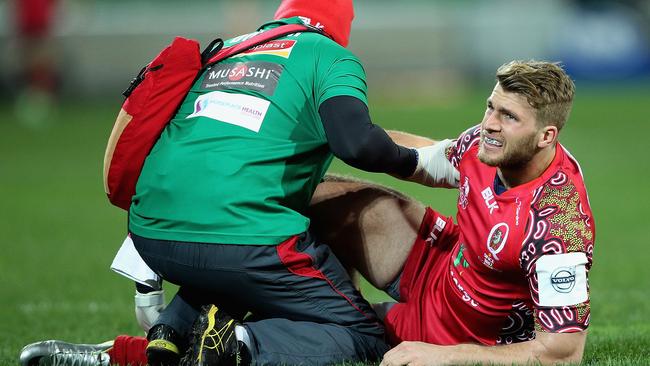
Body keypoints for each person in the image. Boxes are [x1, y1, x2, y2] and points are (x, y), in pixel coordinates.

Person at [19, 60, 594, 366]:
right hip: (441, 268)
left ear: (546, 136)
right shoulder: (486, 143)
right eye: (489, 108)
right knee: (311, 199)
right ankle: (171, 332)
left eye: (507, 118)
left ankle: (159, 350)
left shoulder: (557, 224)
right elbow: (417, 158)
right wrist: (289, 156)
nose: (489, 124)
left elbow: (562, 353)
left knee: (352, 336)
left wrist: (444, 359)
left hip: (460, 330)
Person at [102, 0, 454, 365]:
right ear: (342, 26)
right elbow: (358, 143)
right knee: (363, 336)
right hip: (245, 236)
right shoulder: (327, 55)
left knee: (233, 272)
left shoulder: (228, 50)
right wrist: (423, 162)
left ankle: (172, 330)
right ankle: (236, 342)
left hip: (152, 234)